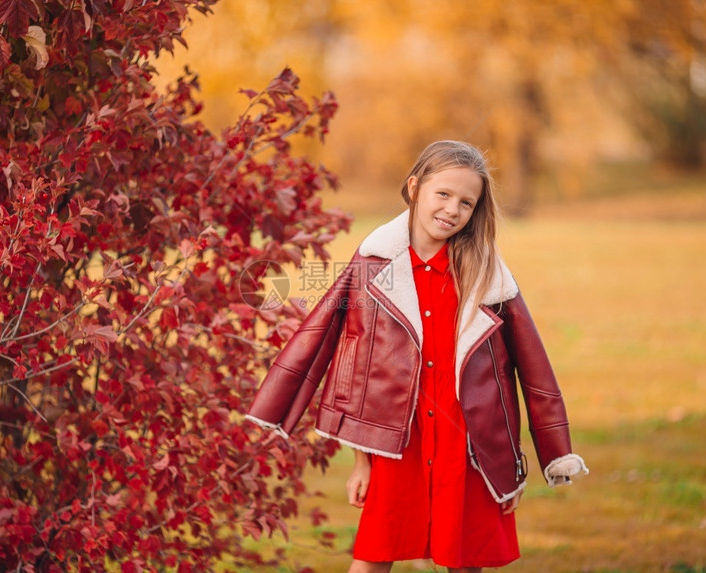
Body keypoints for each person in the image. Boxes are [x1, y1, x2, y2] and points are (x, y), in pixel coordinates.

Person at [246, 140, 588, 572]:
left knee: (464, 561)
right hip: (397, 443)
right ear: (414, 188)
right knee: (372, 559)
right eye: (442, 194)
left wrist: (513, 464)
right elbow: (350, 363)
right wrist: (362, 461)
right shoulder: (373, 265)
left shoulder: (488, 277)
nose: (452, 209)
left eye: (467, 202)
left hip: (468, 447)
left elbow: (533, 367)